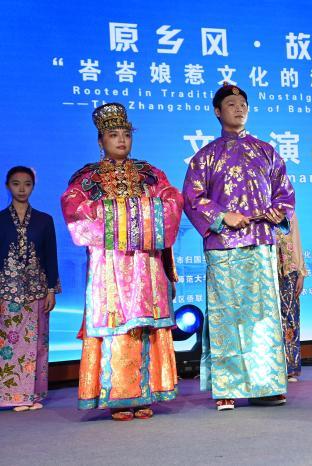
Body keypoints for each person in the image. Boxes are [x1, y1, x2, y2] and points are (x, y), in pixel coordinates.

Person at [61, 103, 183, 421]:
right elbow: (75, 211)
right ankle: (118, 397)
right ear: (100, 140)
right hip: (109, 266)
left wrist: (122, 214)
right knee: (116, 326)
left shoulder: (150, 173)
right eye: (113, 135)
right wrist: (138, 213)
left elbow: (172, 202)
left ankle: (147, 393)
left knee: (144, 324)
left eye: (126, 134)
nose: (121, 140)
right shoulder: (87, 178)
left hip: (146, 265)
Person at [182, 83, 295, 411]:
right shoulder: (205, 156)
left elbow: (285, 193)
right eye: (231, 104)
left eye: (243, 103)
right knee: (226, 316)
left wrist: (276, 212)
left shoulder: (266, 151)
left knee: (262, 317)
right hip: (223, 246)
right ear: (218, 112)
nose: (239, 108)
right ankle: (227, 386)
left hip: (260, 242)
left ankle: (266, 385)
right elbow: (192, 197)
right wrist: (222, 216)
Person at [0, 166, 59, 412]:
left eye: (27, 184)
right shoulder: (1, 220)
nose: (22, 189)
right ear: (7, 186)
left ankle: (34, 394)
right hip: (7, 290)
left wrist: (51, 289)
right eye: (16, 184)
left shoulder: (45, 220)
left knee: (38, 343)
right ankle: (12, 395)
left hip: (38, 289)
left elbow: (50, 256)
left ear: (33, 187)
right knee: (9, 344)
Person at [275, 213, 307, 382]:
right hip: (265, 270)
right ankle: (272, 368)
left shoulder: (290, 212)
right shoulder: (258, 207)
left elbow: (296, 241)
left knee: (290, 318)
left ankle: (290, 367)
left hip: (289, 270)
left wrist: (301, 272)